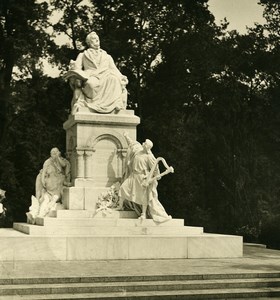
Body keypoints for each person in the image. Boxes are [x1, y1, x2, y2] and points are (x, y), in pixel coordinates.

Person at [64, 31, 128, 114]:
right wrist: (77, 76)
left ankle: (115, 104)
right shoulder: (83, 55)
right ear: (89, 42)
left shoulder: (107, 56)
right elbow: (77, 69)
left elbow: (114, 69)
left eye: (98, 39)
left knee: (114, 80)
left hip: (106, 76)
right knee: (91, 85)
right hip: (91, 76)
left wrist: (122, 77)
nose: (97, 40)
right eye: (94, 39)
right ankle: (93, 105)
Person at [117, 133, 172, 223]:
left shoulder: (149, 157)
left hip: (142, 178)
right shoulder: (138, 150)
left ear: (147, 147)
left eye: (145, 143)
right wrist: (126, 136)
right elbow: (132, 143)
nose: (143, 143)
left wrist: (154, 176)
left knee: (143, 197)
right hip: (133, 176)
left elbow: (155, 168)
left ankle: (143, 214)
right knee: (123, 188)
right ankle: (120, 206)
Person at [26, 148, 71, 224]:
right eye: (52, 152)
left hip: (58, 186)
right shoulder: (48, 162)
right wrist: (43, 180)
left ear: (59, 153)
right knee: (45, 199)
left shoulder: (62, 161)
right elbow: (43, 172)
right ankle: (38, 214)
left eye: (55, 152)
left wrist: (57, 157)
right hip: (50, 186)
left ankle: (40, 214)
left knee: (54, 199)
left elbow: (64, 165)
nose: (54, 153)